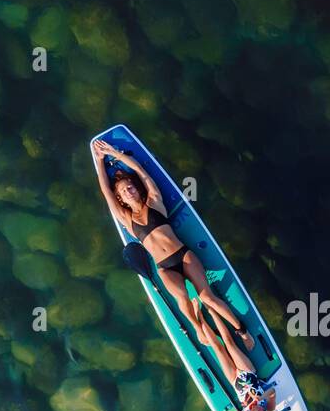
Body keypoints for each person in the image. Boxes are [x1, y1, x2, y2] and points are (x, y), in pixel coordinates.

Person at [91, 138, 253, 351]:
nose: (128, 191)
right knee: (182, 299)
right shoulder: (125, 219)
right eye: (123, 192)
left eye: (130, 187)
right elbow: (106, 191)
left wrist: (117, 154)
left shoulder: (154, 200)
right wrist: (99, 161)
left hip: (184, 255)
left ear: (137, 189)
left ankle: (241, 330)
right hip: (164, 266)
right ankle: (198, 328)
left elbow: (140, 171)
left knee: (207, 297)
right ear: (120, 199)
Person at [206, 313, 277, 411]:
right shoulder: (269, 408)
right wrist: (260, 398)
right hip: (248, 372)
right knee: (229, 343)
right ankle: (211, 311)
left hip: (234, 381)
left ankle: (201, 318)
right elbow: (272, 391)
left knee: (218, 349)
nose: (259, 410)